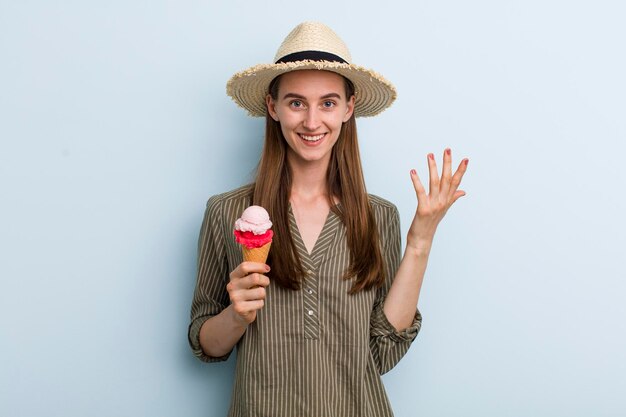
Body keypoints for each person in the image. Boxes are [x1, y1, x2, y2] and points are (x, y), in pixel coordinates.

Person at [188, 22, 469, 417]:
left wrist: (420, 243)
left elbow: (382, 353)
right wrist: (236, 315)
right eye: (296, 102)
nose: (312, 122)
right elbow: (206, 345)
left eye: (328, 102)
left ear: (349, 108)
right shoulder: (225, 214)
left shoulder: (380, 216)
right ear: (273, 107)